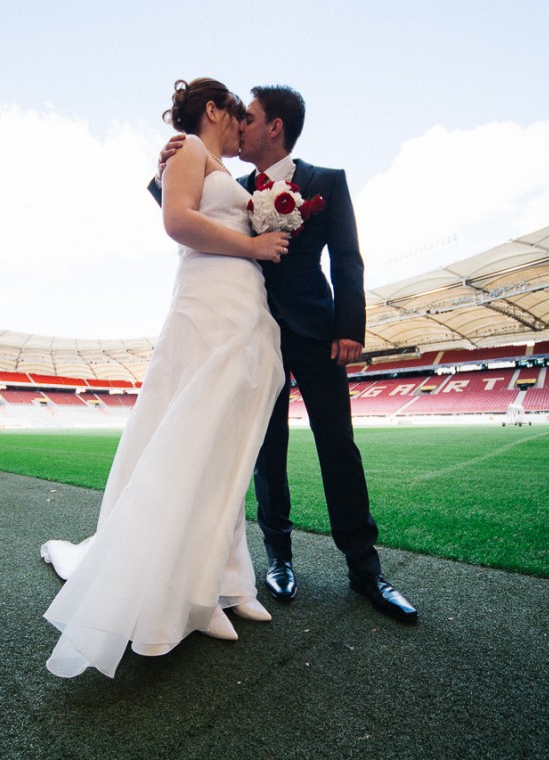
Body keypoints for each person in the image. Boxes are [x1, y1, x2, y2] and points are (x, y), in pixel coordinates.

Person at [39, 78, 291, 679]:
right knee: (194, 443)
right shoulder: (187, 152)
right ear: (213, 110)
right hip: (208, 301)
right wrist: (255, 249)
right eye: (235, 117)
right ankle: (187, 590)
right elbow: (177, 222)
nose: (241, 130)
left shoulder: (216, 165)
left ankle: (228, 579)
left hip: (243, 304)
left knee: (229, 447)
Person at [154, 85, 418, 622]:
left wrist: (350, 327)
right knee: (265, 449)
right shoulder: (233, 184)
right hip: (252, 329)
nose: (238, 126)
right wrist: (161, 169)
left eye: (248, 118)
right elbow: (184, 209)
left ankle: (366, 569)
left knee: (337, 446)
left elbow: (348, 258)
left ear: (275, 126)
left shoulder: (327, 182)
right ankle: (279, 559)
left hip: (319, 334)